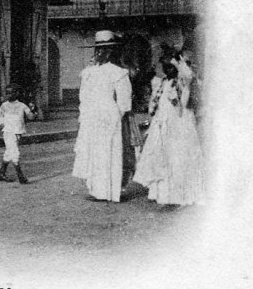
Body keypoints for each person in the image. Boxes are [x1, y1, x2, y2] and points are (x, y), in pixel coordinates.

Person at [133, 54, 205, 206]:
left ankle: (178, 195)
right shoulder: (162, 83)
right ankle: (161, 194)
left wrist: (180, 66)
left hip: (179, 124)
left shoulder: (181, 84)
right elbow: (155, 104)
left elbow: (182, 105)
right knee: (161, 156)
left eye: (169, 67)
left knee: (176, 157)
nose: (166, 70)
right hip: (163, 123)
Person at [72, 30, 133, 202]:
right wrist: (84, 116)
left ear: (111, 52)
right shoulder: (88, 72)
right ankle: (96, 190)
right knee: (93, 151)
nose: (100, 53)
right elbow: (83, 97)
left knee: (108, 151)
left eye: (104, 50)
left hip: (108, 115)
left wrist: (115, 116)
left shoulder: (119, 73)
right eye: (98, 50)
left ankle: (109, 191)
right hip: (92, 114)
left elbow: (124, 101)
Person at [0, 83, 36, 184]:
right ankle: (21, 176)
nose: (8, 95)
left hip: (17, 132)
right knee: (15, 152)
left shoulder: (22, 106)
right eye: (7, 93)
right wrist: (0, 125)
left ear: (17, 93)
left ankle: (1, 173)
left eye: (11, 93)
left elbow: (30, 116)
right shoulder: (4, 106)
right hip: (8, 132)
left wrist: (33, 109)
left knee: (9, 152)